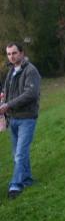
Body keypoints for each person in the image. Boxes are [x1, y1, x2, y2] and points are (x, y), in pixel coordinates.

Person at [0, 42, 41, 200]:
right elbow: (7, 91)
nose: (11, 56)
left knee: (20, 153)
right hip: (14, 119)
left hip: (27, 118)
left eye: (14, 53)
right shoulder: (11, 72)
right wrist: (3, 97)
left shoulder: (31, 71)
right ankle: (27, 179)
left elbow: (31, 93)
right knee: (18, 153)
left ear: (22, 53)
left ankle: (15, 185)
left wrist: (8, 105)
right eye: (9, 54)